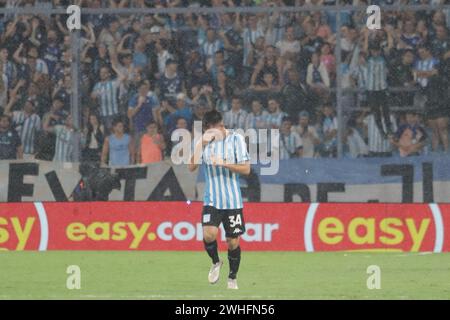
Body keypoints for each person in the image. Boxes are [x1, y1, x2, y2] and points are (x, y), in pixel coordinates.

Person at [188, 110, 250, 290]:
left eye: (222, 126)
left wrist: (224, 163)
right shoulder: (203, 143)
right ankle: (216, 262)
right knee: (209, 234)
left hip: (233, 201)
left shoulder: (236, 139)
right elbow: (191, 167)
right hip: (212, 199)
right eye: (216, 128)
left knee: (233, 242)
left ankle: (232, 277)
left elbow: (246, 169)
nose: (221, 130)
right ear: (208, 129)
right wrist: (201, 144)